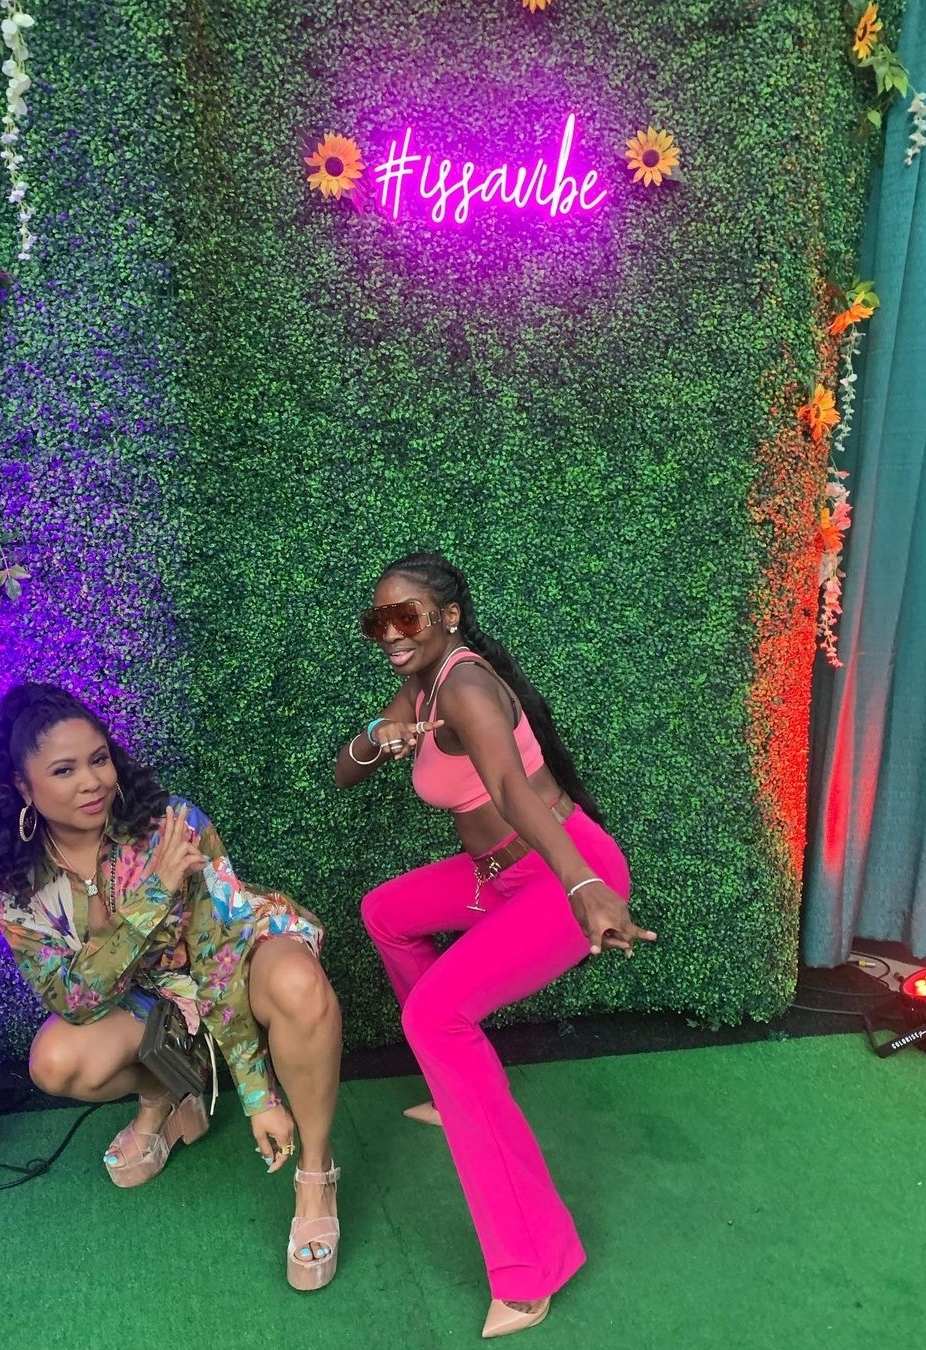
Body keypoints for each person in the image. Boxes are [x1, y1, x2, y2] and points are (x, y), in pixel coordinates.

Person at [334, 552, 656, 1339]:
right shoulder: (421, 683)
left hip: (556, 874)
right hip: (498, 874)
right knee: (386, 913)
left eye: (406, 615)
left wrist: (584, 886)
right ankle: (457, 1090)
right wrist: (381, 734)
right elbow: (345, 772)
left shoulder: (468, 686)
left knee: (435, 1017)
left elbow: (512, 790)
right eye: (378, 619)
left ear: (448, 616)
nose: (390, 632)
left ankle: (533, 1265)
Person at [0, 682, 342, 1291]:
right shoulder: (17, 880)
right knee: (56, 1060)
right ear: (23, 788)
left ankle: (317, 1173)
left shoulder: (171, 826)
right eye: (64, 770)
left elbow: (219, 956)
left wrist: (258, 1096)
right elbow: (72, 999)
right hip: (152, 991)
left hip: (237, 957)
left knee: (298, 984)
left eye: (98, 759)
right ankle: (168, 1096)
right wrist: (154, 894)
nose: (91, 782)